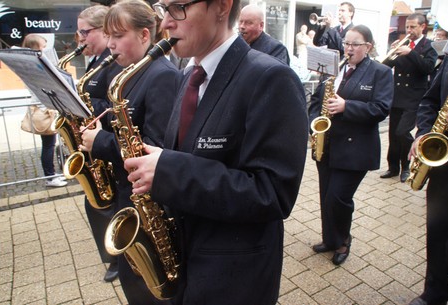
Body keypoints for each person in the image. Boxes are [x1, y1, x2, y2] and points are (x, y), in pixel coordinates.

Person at [121, 0, 308, 303]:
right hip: (186, 261)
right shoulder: (187, 76)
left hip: (233, 276)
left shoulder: (272, 77)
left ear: (221, 7)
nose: (165, 23)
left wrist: (169, 170)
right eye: (163, 9)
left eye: (178, 7)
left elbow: (273, 194)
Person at [79, 0, 178, 303]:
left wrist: (101, 143)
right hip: (128, 190)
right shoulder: (125, 73)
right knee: (131, 279)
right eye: (107, 35)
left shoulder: (162, 75)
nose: (110, 44)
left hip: (148, 200)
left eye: (118, 35)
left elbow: (155, 145)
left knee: (144, 287)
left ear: (145, 36)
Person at [309, 24, 393, 265]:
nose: (348, 48)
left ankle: (344, 240)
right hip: (327, 145)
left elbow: (381, 108)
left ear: (368, 46)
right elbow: (317, 100)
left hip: (355, 148)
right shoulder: (335, 68)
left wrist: (348, 107)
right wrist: (313, 122)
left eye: (355, 44)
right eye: (346, 43)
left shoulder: (381, 72)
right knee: (326, 195)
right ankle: (330, 239)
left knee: (338, 197)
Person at [76, 4, 123, 283]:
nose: (80, 38)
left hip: (106, 144)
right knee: (95, 205)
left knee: (109, 206)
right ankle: (113, 256)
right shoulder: (96, 60)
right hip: (98, 145)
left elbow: (112, 105)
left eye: (85, 32)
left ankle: (117, 257)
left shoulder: (112, 60)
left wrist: (85, 103)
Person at [407, 54, 448, 305]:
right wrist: (424, 134)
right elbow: (429, 99)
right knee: (437, 232)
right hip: (445, 164)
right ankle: (434, 293)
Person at [380, 13, 437, 183]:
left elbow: (427, 68)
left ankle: (407, 165)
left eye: (413, 27)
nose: (409, 31)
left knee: (403, 132)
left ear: (422, 27)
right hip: (397, 96)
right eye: (407, 27)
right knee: (392, 134)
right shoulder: (402, 44)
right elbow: (386, 65)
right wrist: (393, 51)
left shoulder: (429, 46)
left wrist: (410, 52)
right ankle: (393, 167)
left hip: (414, 97)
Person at [22, 34, 68, 188]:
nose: (44, 50)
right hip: (44, 110)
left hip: (47, 108)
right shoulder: (33, 67)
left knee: (50, 144)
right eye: (42, 46)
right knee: (48, 145)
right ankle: (50, 176)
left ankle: (54, 174)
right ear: (34, 47)